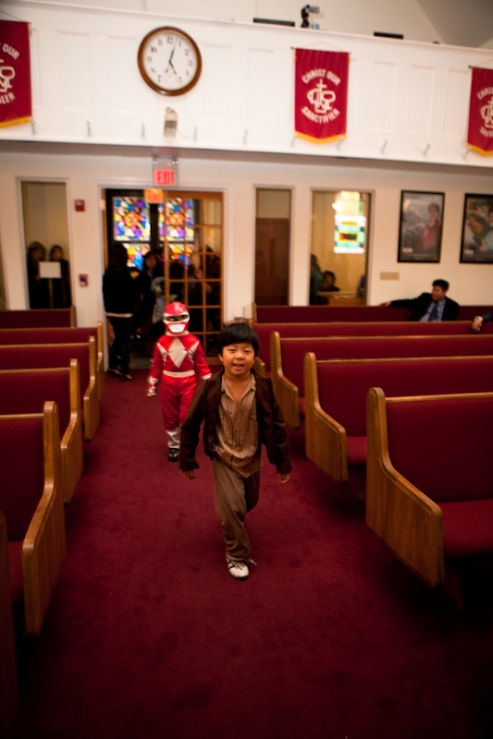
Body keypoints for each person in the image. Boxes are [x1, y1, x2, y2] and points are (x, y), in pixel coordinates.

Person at [179, 322, 292, 581]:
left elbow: (277, 424)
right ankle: (236, 555)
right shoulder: (210, 388)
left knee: (248, 502)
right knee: (232, 507)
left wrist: (283, 462)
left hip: (252, 456)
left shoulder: (264, 387)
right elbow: (190, 424)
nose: (239, 356)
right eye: (232, 350)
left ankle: (231, 516)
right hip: (223, 456)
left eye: (246, 351)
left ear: (254, 357)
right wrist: (187, 459)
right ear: (221, 356)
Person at [147, 301, 211, 462]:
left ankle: (187, 443)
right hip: (168, 382)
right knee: (169, 415)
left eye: (179, 318)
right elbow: (157, 365)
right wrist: (152, 383)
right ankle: (174, 445)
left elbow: (201, 364)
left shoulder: (193, 341)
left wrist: (210, 381)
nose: (176, 322)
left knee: (187, 415)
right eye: (172, 318)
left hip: (188, 381)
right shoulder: (161, 342)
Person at [103, 243, 140, 380]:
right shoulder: (125, 273)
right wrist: (136, 304)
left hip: (112, 311)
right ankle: (124, 370)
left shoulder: (107, 273)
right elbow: (132, 293)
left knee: (118, 338)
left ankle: (113, 365)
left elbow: (105, 292)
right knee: (125, 340)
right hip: (125, 311)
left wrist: (107, 309)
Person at [379, 279, 459, 321]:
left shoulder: (452, 306)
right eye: (433, 289)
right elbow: (408, 302)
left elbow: (451, 324)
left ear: (445, 291)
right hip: (418, 327)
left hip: (438, 331)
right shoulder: (425, 298)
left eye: (437, 291)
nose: (434, 292)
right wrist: (391, 302)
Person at [26, 241, 49, 308]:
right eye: (38, 252)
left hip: (43, 297)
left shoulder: (42, 264)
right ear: (32, 252)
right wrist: (35, 278)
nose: (40, 255)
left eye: (41, 253)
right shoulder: (26, 265)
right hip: (32, 297)